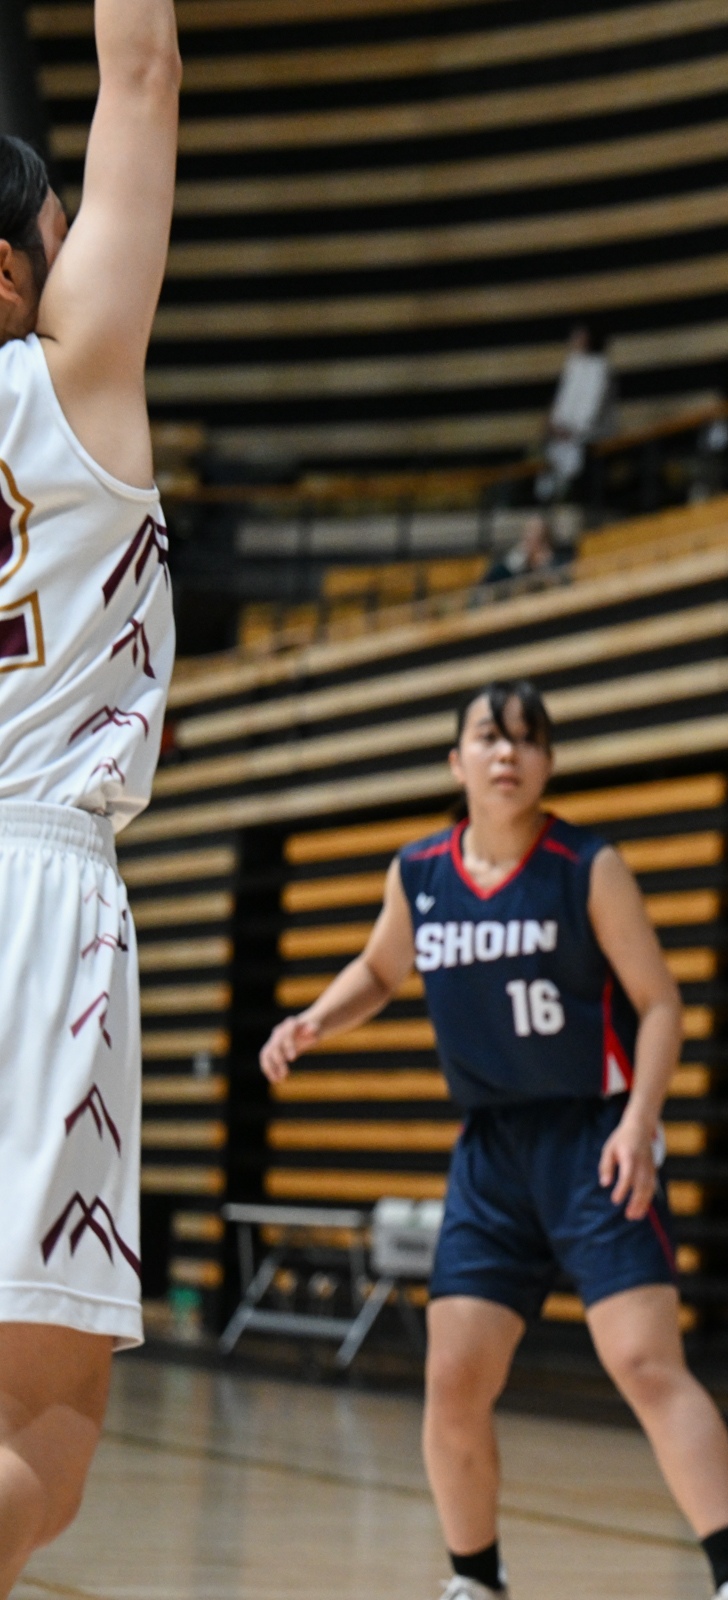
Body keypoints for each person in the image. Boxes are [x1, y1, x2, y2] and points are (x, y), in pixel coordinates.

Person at [257, 682, 728, 1600]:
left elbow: (660, 1004)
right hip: (492, 1154)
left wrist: (640, 1121)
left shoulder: (586, 866)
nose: (508, 754)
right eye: (490, 738)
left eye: (528, 740)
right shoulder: (420, 872)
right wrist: (314, 1020)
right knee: (454, 1375)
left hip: (593, 1140)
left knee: (644, 1362)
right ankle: (475, 1580)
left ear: (548, 764)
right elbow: (380, 968)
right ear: (456, 761)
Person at [0, 0, 180, 1589]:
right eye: (58, 234)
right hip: (36, 897)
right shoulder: (69, 386)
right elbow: (140, 68)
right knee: (39, 1448)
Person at [540, 324, 613, 504]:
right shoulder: (573, 363)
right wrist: (555, 423)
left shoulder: (599, 367)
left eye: (579, 337)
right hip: (563, 433)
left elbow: (593, 404)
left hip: (587, 435)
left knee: (577, 478)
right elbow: (563, 401)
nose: (575, 341)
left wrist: (573, 429)